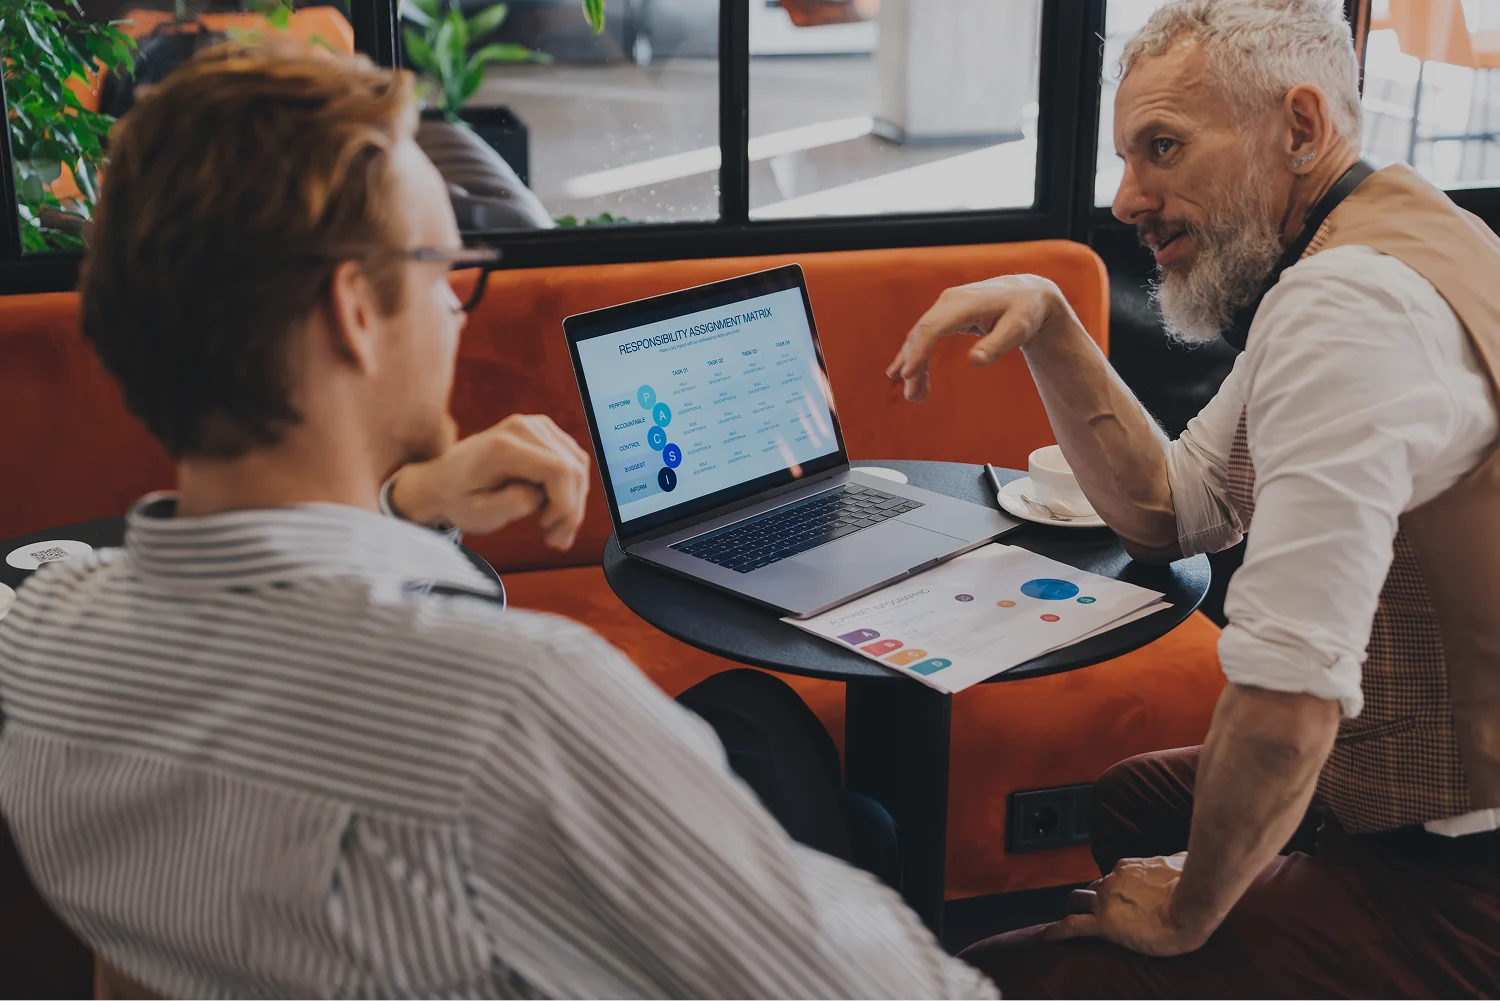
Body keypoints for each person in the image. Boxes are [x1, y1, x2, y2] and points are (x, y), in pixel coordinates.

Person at [0, 43, 995, 1000]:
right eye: (442, 271)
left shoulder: (42, 640)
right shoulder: (512, 711)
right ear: (354, 312)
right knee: (848, 819)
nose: (457, 307)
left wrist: (404, 505)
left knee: (768, 734)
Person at [888, 0, 1499, 996]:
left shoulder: (1345, 307)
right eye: (1127, 158)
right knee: (1132, 803)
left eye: (1162, 148)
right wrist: (1052, 323)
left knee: (1006, 977)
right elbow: (1178, 509)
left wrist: (1186, 913)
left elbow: (1287, 705)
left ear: (1300, 127)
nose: (1127, 198)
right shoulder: (1402, 234)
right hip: (1419, 787)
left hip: (1458, 878)